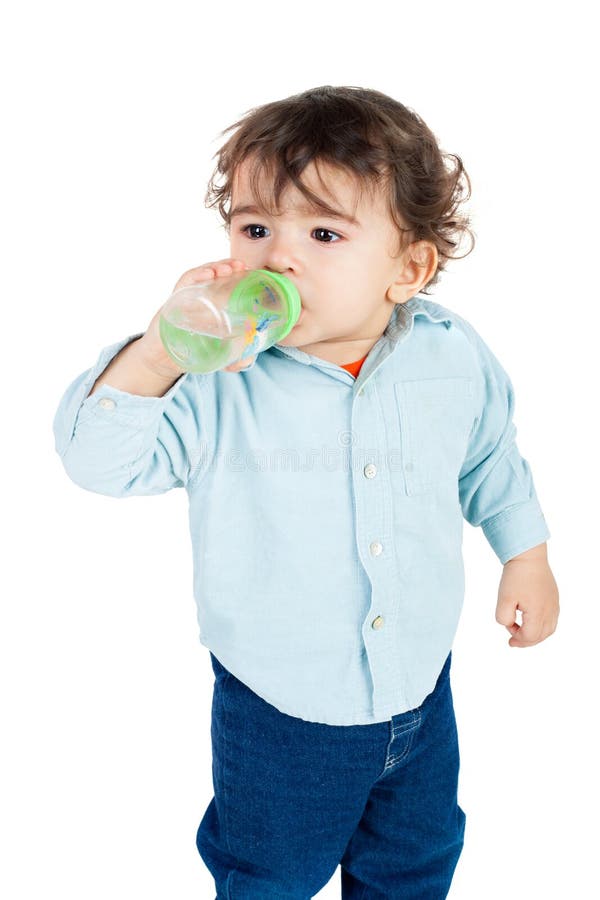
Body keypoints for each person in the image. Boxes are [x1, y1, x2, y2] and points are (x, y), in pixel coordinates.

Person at [53, 85, 560, 898]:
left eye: (323, 233)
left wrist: (525, 555)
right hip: (281, 710)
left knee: (417, 860)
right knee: (270, 873)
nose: (276, 258)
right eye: (255, 228)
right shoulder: (215, 381)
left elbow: (488, 453)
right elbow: (97, 462)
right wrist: (161, 351)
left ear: (411, 267)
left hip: (420, 688)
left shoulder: (450, 353)